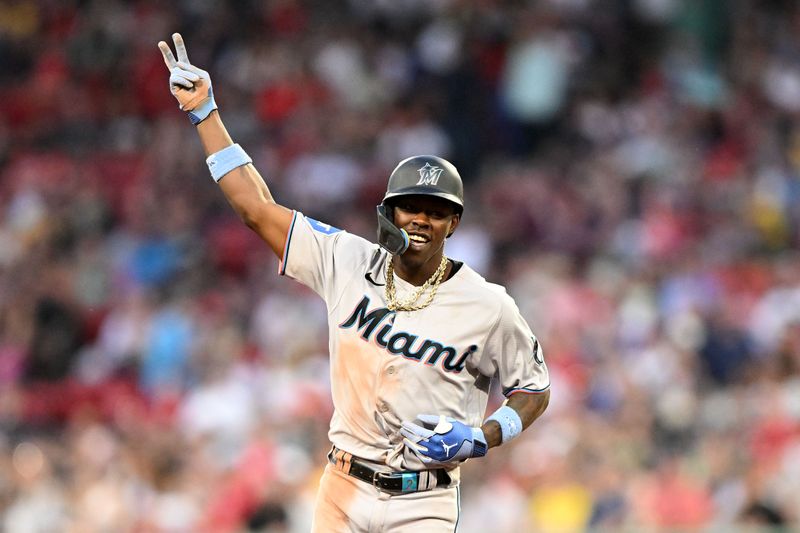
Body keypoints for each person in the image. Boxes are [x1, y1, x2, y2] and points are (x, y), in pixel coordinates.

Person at [158, 33, 550, 532]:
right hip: (342, 486)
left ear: (454, 224)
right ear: (389, 212)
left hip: (423, 501)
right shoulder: (346, 260)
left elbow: (533, 389)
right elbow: (256, 209)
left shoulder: (488, 305)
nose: (422, 221)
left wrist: (483, 436)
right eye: (411, 207)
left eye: (437, 212)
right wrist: (205, 114)